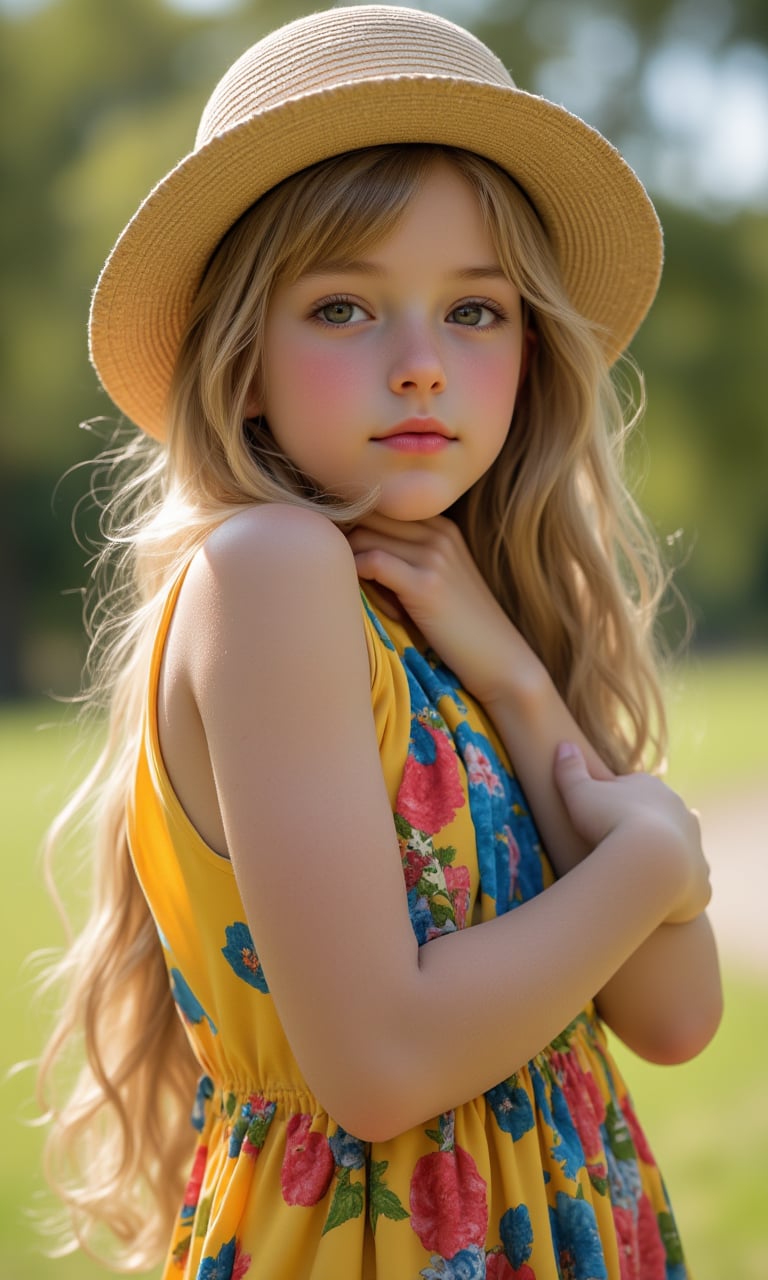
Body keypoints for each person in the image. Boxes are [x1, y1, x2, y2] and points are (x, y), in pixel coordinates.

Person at [38, 6, 722, 1278]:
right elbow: (382, 1062)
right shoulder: (275, 571)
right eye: (346, 308)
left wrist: (516, 676)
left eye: (476, 312)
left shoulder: (466, 619)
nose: (421, 366)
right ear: (241, 363)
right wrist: (658, 852)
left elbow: (676, 1013)